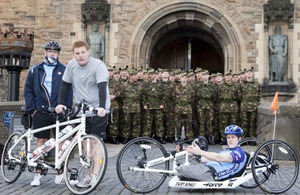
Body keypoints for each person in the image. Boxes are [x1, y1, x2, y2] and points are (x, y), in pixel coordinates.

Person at [55, 40, 110, 187]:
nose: (80, 56)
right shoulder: (71, 65)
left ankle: (94, 176)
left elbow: (102, 87)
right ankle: (88, 173)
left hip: (98, 109)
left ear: (89, 51)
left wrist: (102, 107)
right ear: (73, 54)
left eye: (83, 52)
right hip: (82, 110)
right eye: (77, 53)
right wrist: (60, 103)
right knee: (85, 144)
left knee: (96, 142)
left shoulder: (98, 66)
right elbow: (65, 86)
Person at [24, 41, 73, 186]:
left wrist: (66, 107)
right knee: (41, 142)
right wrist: (32, 109)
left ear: (58, 54)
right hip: (42, 111)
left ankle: (60, 173)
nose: (52, 54)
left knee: (62, 143)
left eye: (55, 52)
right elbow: (28, 90)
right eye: (49, 51)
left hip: (59, 112)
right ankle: (38, 175)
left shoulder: (64, 69)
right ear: (45, 52)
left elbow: (69, 90)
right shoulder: (35, 70)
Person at [176, 125, 247, 181]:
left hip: (211, 174)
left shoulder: (239, 153)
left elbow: (220, 158)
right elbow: (204, 159)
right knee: (183, 167)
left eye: (233, 137)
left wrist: (200, 152)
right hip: (205, 168)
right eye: (228, 138)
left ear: (239, 139)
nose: (230, 140)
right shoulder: (226, 151)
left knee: (182, 169)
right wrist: (187, 151)